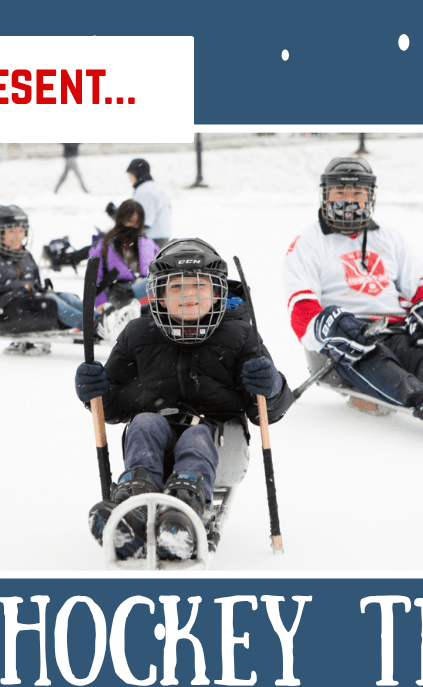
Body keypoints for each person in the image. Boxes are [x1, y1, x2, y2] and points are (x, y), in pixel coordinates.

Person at [74, 238, 292, 560]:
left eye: (200, 287)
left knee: (196, 436)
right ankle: (134, 502)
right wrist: (98, 392)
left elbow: (264, 412)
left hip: (219, 443)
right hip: (154, 441)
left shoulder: (241, 334)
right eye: (176, 288)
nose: (189, 296)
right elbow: (116, 407)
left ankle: (185, 509)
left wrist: (271, 387)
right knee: (145, 422)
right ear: (158, 294)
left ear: (218, 292)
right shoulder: (138, 334)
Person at [282, 157, 423, 424]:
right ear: (325, 195)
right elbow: (301, 306)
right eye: (340, 191)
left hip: (395, 328)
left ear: (370, 196)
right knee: (379, 362)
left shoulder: (389, 237)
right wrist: (332, 327)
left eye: (357, 192)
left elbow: (419, 281)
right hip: (350, 341)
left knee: (419, 358)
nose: (349, 200)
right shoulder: (307, 243)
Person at [0, 205, 84, 353]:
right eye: (11, 231)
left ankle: (99, 319)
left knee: (69, 298)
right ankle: (92, 325)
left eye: (21, 230)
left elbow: (36, 286)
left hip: (28, 307)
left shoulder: (25, 257)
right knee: (52, 303)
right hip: (2, 314)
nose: (18, 236)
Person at [87, 200, 159, 335]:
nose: (133, 226)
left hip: (144, 291)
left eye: (137, 222)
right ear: (120, 219)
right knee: (154, 283)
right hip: (117, 292)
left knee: (161, 282)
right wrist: (100, 303)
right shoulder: (105, 244)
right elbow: (95, 277)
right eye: (129, 221)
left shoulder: (147, 242)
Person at [126, 158, 172, 246]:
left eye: (131, 175)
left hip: (153, 239)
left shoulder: (146, 191)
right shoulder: (153, 187)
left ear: (138, 174)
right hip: (160, 236)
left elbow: (145, 220)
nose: (130, 179)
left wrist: (122, 228)